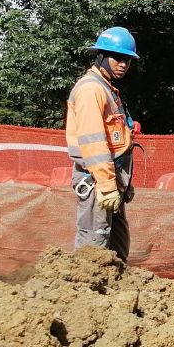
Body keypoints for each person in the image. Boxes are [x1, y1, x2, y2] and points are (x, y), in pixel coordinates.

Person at [65, 27, 139, 262]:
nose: (123, 64)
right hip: (97, 181)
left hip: (112, 182)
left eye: (128, 60)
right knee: (93, 250)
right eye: (118, 58)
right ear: (101, 56)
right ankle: (82, 286)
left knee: (117, 250)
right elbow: (94, 145)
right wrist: (106, 185)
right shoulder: (91, 90)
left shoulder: (107, 89)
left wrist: (122, 184)